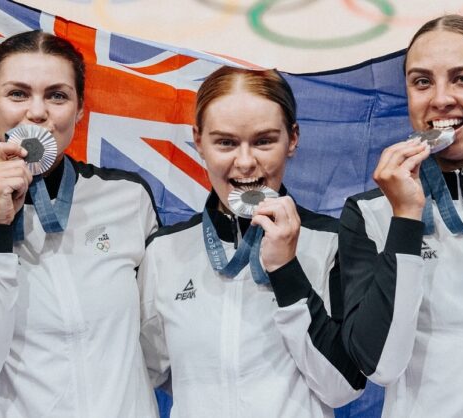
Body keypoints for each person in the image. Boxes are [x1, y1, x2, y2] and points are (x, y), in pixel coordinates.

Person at [0, 31, 161, 417]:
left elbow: (158, 340)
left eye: (57, 95)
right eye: (18, 94)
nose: (37, 112)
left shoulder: (127, 198)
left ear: (80, 108)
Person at [138, 66, 366, 418]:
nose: (245, 163)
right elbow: (148, 372)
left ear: (292, 139)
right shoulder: (165, 251)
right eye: (226, 142)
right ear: (198, 141)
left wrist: (287, 271)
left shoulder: (330, 241)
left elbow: (342, 388)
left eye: (263, 141)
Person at [339, 14, 463, 417]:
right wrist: (405, 218)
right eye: (422, 82)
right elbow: (378, 365)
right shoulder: (369, 214)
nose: (440, 99)